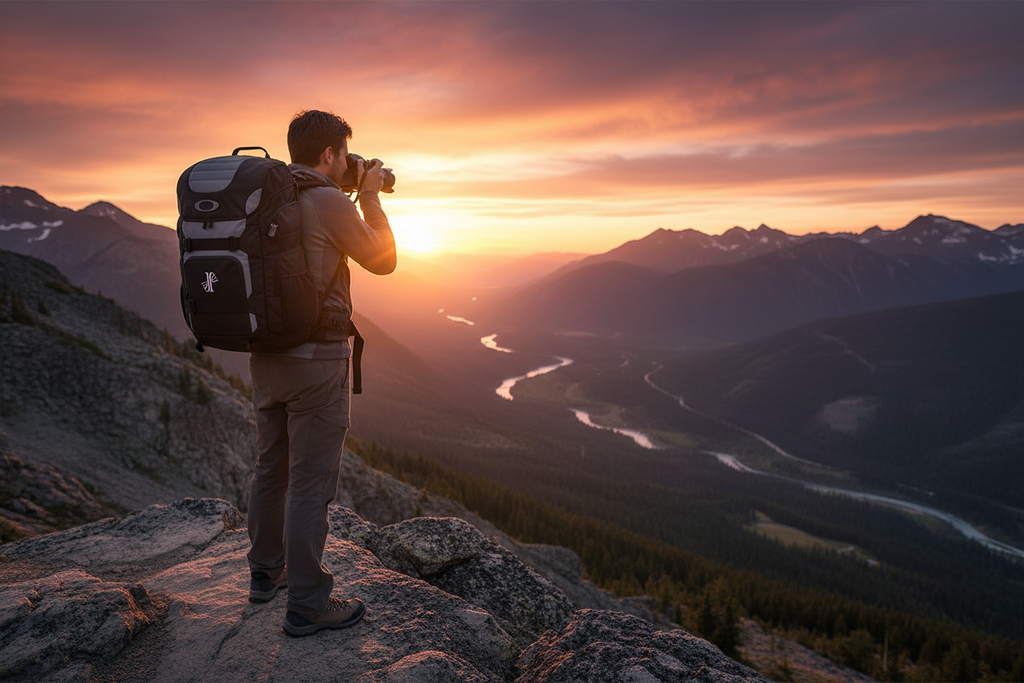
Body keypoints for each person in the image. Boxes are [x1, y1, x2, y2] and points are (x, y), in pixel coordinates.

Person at [245, 109, 396, 637]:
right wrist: (371, 194)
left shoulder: (269, 196)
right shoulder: (326, 198)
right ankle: (308, 603)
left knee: (271, 469)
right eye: (344, 155)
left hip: (265, 358)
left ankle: (265, 574)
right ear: (330, 154)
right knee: (310, 483)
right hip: (316, 362)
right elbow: (383, 259)